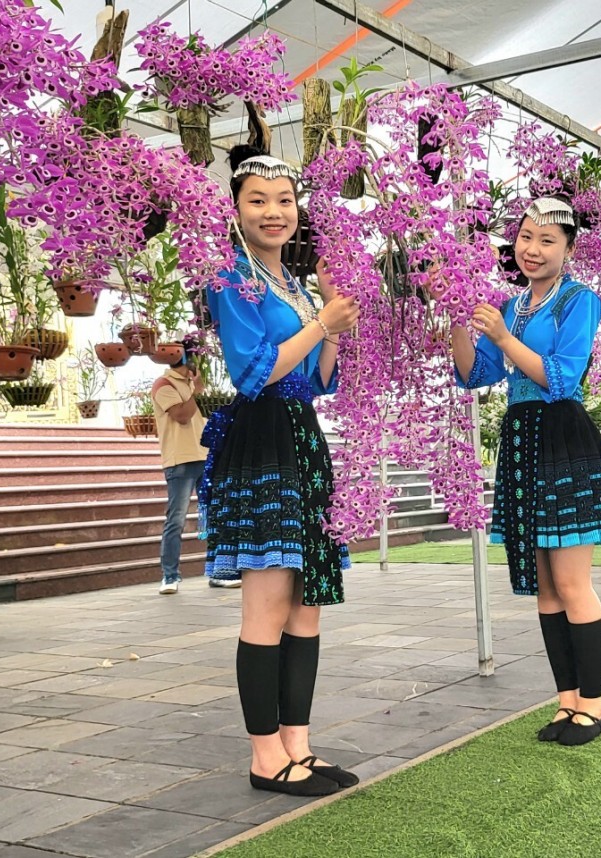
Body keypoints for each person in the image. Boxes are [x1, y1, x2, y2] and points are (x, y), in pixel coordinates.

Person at [200, 145, 360, 797]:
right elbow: (252, 371)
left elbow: (319, 382)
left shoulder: (292, 284)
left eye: (284, 200)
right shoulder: (228, 277)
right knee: (267, 604)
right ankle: (266, 756)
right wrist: (322, 320)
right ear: (235, 209)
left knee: (306, 606)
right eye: (257, 200)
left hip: (302, 437)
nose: (273, 211)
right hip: (263, 440)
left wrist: (334, 325)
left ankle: (298, 743)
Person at [451, 195, 601, 747]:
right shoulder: (510, 306)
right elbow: (474, 374)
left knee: (573, 581)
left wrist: (505, 339)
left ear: (569, 249)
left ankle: (593, 707)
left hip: (563, 435)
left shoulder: (581, 300)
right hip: (522, 438)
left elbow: (562, 376)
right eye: (525, 237)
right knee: (547, 588)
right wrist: (456, 317)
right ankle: (566, 703)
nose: (531, 249)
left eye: (546, 240)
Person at [151, 348, 234, 594]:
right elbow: (182, 416)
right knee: (176, 519)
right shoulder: (163, 384)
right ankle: (170, 576)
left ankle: (219, 572)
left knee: (215, 516)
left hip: (205, 457)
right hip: (181, 460)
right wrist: (195, 391)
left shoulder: (191, 385)